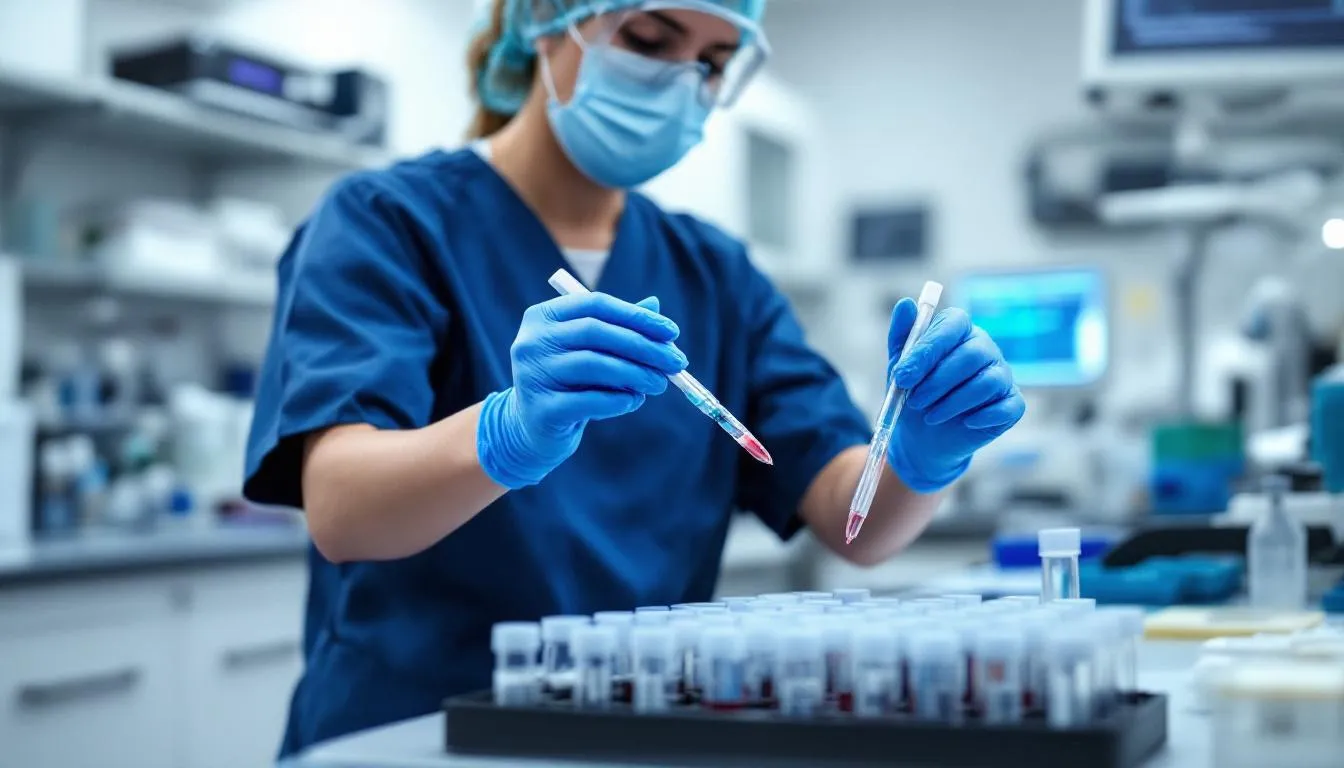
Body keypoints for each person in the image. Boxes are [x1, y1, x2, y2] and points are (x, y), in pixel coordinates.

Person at [244, 0, 1026, 757]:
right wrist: (505, 434)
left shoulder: (716, 272)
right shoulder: (387, 221)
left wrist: (925, 453)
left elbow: (852, 522)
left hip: (644, 732)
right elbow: (342, 509)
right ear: (541, 20)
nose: (682, 82)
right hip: (418, 732)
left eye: (714, 63)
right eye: (651, 39)